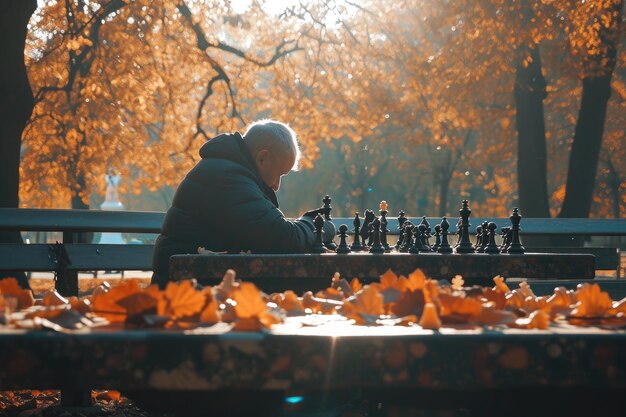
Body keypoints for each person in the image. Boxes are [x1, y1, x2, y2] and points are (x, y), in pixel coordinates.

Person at [151, 119, 336, 288]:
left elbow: (269, 233)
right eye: (279, 174)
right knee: (323, 283)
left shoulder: (229, 170)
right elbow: (282, 237)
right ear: (262, 158)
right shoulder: (227, 178)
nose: (276, 186)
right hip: (181, 290)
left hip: (199, 280)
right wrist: (317, 226)